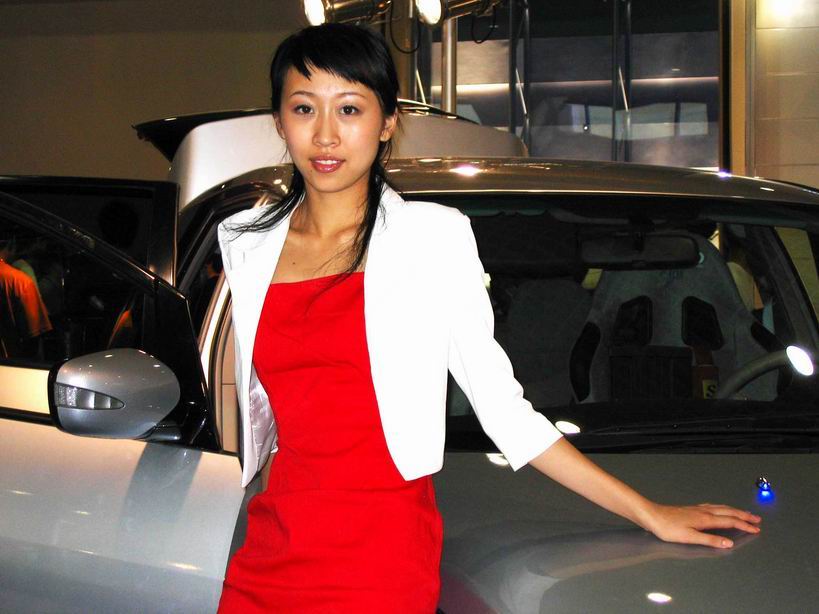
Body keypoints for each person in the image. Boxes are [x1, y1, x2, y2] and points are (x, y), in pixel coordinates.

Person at [216, 23, 761, 613]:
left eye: (350, 108)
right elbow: (265, 414)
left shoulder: (433, 238)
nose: (325, 134)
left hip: (378, 555)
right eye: (304, 108)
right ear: (280, 121)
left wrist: (648, 511)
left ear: (388, 121)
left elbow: (504, 410)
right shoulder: (247, 243)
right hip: (274, 544)